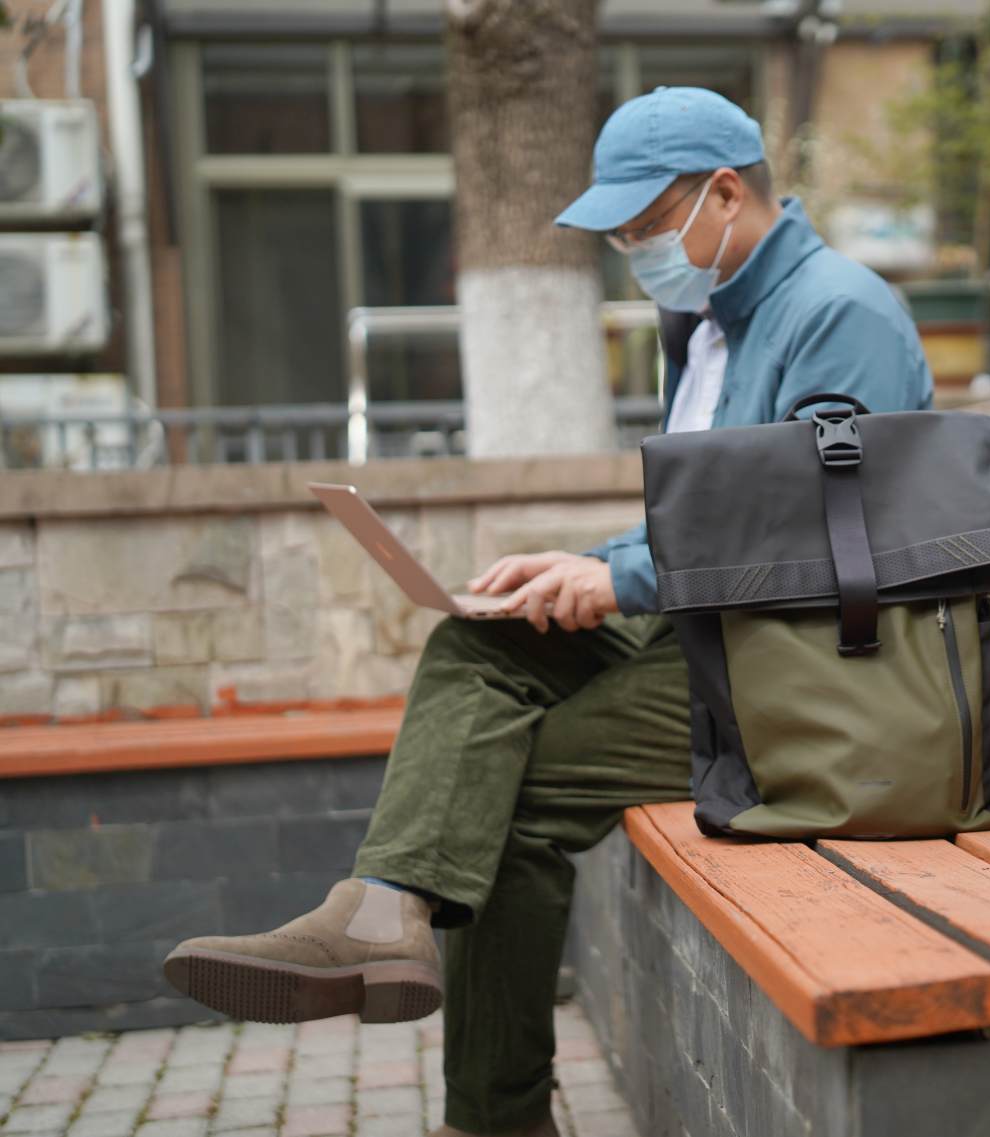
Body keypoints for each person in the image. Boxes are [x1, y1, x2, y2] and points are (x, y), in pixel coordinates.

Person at [162, 88, 934, 1137]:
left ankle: (491, 1112)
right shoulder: (706, 326)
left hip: (797, 674)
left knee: (503, 801)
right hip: (709, 635)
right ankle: (383, 906)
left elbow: (824, 525)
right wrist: (587, 563)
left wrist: (629, 582)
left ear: (724, 191)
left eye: (646, 226)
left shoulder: (838, 313)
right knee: (479, 640)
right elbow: (704, 516)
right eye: (618, 235)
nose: (632, 250)